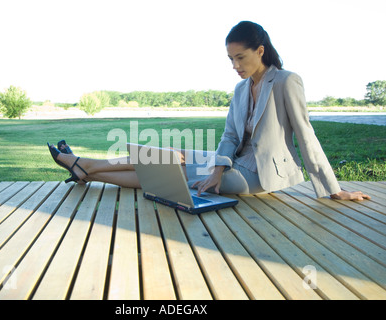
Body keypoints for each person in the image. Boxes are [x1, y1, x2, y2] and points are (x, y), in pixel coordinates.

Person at [48, 21, 370, 201]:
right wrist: (217, 166)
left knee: (171, 174)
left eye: (241, 57)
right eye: (230, 59)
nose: (235, 66)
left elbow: (306, 135)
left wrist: (333, 189)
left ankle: (84, 167)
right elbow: (230, 135)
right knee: (169, 155)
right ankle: (85, 167)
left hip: (259, 174)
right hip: (233, 162)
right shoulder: (241, 89)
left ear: (260, 51)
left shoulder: (286, 81)